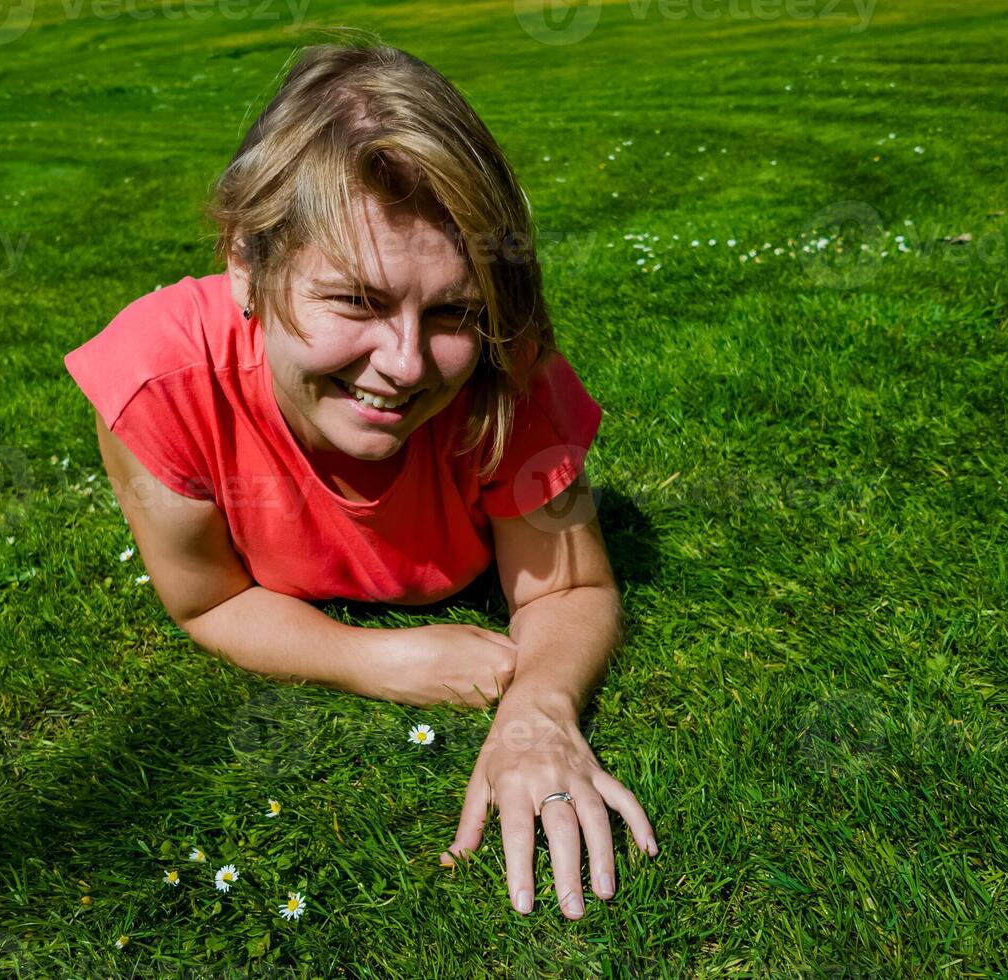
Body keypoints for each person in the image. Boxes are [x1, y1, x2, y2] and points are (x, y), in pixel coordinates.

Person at [63, 36, 657, 922]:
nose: (406, 364)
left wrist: (539, 708)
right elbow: (209, 601)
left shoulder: (506, 369)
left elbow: (570, 586)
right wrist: (373, 659)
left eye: (452, 309)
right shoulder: (158, 381)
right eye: (356, 301)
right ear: (245, 263)